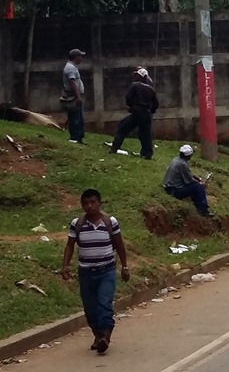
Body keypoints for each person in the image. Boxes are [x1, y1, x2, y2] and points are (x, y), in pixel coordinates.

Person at [61, 189, 129, 355]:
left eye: (93, 202)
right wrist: (65, 266)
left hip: (106, 271)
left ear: (100, 203)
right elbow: (70, 245)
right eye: (86, 203)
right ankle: (98, 336)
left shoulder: (110, 222)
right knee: (90, 309)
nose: (89, 206)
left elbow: (119, 245)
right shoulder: (77, 224)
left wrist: (125, 267)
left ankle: (106, 337)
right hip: (85, 273)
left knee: (104, 304)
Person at [109, 68, 159, 159]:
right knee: (145, 134)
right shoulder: (151, 89)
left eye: (136, 75)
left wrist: (131, 107)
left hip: (138, 112)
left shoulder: (135, 85)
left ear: (139, 76)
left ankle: (114, 148)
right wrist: (151, 111)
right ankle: (147, 153)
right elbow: (156, 103)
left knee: (122, 128)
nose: (134, 76)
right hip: (147, 114)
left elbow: (128, 97)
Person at [162, 145, 210, 216]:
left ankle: (198, 204)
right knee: (198, 187)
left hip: (168, 186)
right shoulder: (182, 164)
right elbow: (189, 181)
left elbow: (188, 174)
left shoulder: (177, 160)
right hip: (173, 190)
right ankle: (202, 209)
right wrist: (201, 184)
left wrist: (198, 179)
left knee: (196, 185)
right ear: (189, 156)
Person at [60, 48, 87, 144]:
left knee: (79, 117)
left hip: (74, 96)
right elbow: (72, 83)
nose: (82, 58)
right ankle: (74, 137)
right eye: (80, 56)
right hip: (73, 97)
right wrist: (78, 96)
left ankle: (79, 137)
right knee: (75, 118)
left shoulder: (72, 67)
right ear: (76, 57)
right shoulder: (70, 68)